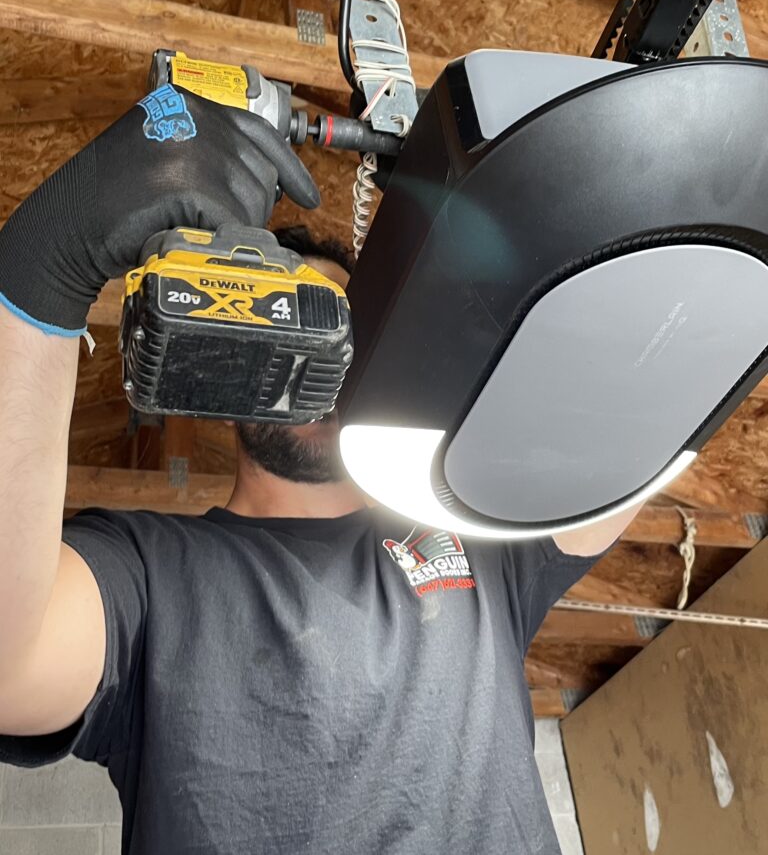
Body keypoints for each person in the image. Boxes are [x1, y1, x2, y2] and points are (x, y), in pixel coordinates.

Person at [0, 87, 641, 854]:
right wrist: (43, 263)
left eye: (332, 324)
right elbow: (13, 662)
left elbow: (634, 429)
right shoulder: (145, 575)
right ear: (225, 361)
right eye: (278, 319)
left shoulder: (475, 531)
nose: (309, 354)